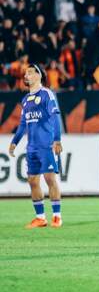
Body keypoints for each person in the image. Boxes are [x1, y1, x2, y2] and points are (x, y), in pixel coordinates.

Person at [8, 64, 63, 228]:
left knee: (49, 178)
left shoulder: (46, 94)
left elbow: (55, 116)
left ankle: (57, 216)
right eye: (25, 73)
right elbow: (22, 124)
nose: (26, 76)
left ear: (39, 75)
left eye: (30, 73)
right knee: (32, 181)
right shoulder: (25, 100)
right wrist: (14, 142)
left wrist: (57, 139)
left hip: (46, 145)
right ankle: (40, 218)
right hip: (32, 147)